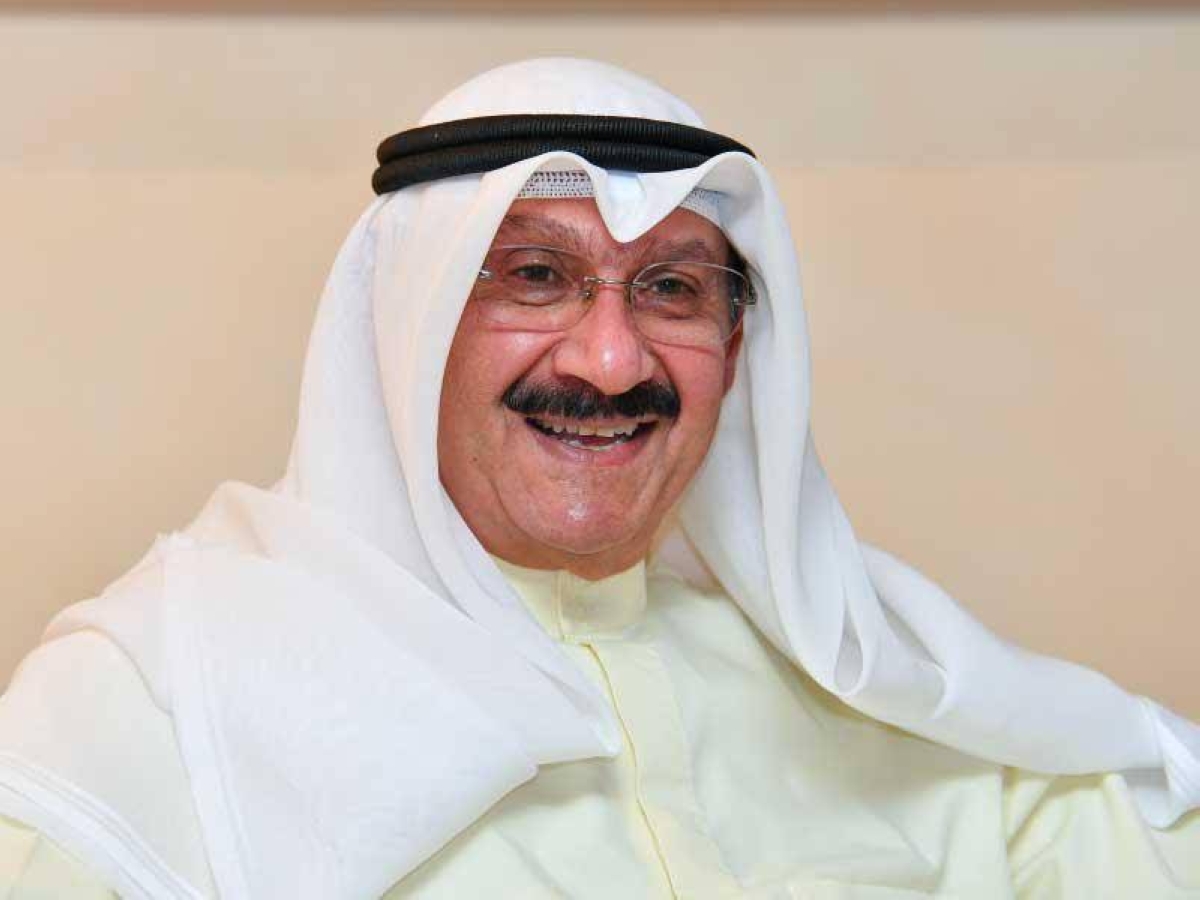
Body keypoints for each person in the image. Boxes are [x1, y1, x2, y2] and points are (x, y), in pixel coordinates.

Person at [0, 57, 1197, 900]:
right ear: (408, 331)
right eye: (534, 275)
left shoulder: (902, 700)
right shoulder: (154, 700)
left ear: (737, 347)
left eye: (673, 289)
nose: (612, 360)